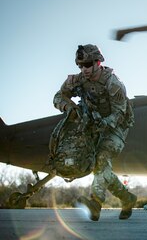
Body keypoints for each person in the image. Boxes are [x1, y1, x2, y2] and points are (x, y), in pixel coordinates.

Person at [53, 44, 136, 221]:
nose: (84, 69)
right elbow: (58, 97)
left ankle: (95, 202)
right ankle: (127, 199)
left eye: (88, 64)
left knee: (102, 158)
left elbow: (119, 114)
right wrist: (70, 108)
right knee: (98, 165)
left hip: (116, 127)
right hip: (93, 125)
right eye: (80, 65)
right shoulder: (77, 80)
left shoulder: (114, 85)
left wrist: (103, 123)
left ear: (98, 62)